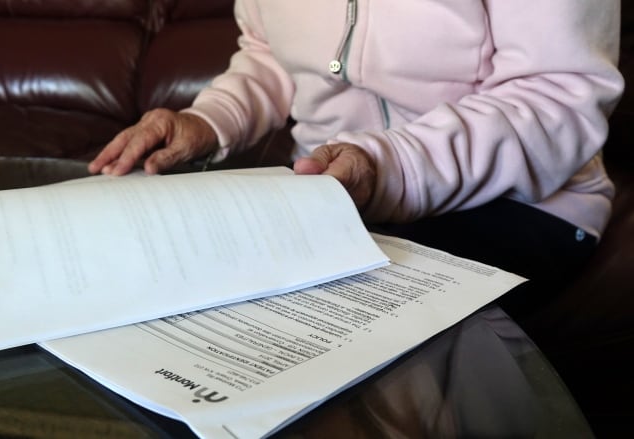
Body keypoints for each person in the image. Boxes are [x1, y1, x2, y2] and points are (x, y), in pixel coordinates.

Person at [89, 1, 624, 323]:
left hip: (519, 203)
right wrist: (208, 121)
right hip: (330, 193)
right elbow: (269, 55)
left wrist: (387, 166)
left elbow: (558, 97)